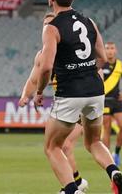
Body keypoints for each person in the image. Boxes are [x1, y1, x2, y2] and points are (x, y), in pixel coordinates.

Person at [25, 0, 122, 194]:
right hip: (94, 90)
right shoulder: (88, 21)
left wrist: (40, 92)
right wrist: (83, 68)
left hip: (70, 92)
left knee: (52, 147)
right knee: (94, 142)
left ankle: (73, 190)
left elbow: (45, 66)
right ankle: (114, 173)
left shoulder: (52, 27)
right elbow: (101, 57)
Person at [19, 12, 89, 192]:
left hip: (81, 104)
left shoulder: (71, 51)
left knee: (62, 145)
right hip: (65, 104)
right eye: (46, 25)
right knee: (61, 146)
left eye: (52, 24)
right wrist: (25, 96)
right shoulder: (42, 55)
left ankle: (75, 186)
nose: (48, 28)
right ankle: (76, 183)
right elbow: (34, 79)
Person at [102, 41, 122, 166]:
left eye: (112, 48)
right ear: (104, 50)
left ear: (116, 50)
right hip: (104, 101)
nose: (109, 51)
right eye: (107, 48)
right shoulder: (100, 64)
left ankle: (117, 153)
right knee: (106, 128)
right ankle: (109, 160)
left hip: (117, 101)